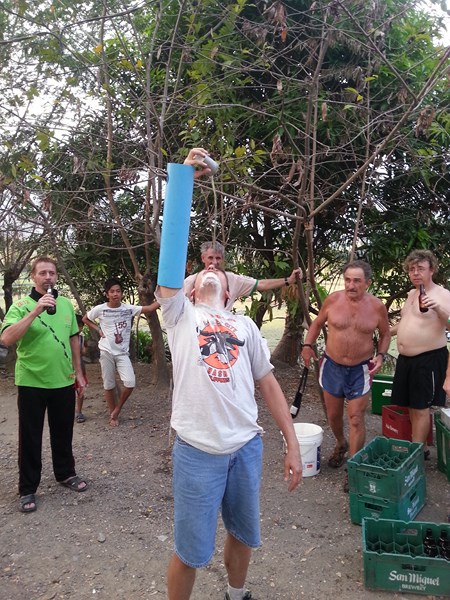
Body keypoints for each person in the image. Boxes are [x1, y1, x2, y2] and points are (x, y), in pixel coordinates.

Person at [156, 148, 302, 600]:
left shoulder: (245, 325)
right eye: (202, 272)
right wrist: (184, 181)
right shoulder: (180, 315)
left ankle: (237, 595)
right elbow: (169, 259)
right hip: (197, 450)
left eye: (217, 272)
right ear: (189, 289)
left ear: (229, 291)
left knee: (243, 534)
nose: (210, 272)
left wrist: (292, 442)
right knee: (190, 552)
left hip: (246, 446)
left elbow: (269, 384)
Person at [0, 256, 88, 513]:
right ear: (33, 277)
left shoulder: (66, 305)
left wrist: (78, 372)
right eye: (42, 273)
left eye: (52, 272)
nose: (48, 277)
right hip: (32, 381)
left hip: (63, 379)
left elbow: (74, 339)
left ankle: (65, 473)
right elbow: (6, 338)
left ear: (56, 276)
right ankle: (27, 488)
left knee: (63, 431)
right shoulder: (21, 306)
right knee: (30, 436)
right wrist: (35, 311)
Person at [300, 260, 390, 491]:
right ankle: (341, 443)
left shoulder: (377, 307)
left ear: (367, 283)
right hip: (332, 366)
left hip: (361, 369)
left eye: (357, 281)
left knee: (356, 418)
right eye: (347, 280)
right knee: (333, 415)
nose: (351, 285)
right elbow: (317, 324)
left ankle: (354, 467)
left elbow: (385, 334)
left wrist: (381, 356)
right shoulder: (333, 301)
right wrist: (308, 345)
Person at [390, 250, 450, 458]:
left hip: (428, 359)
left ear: (431, 270)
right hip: (406, 359)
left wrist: (439, 309)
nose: (415, 273)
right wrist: (383, 331)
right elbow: (406, 323)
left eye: (421, 269)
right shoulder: (412, 294)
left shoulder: (443, 295)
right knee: (410, 405)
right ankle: (421, 447)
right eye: (412, 269)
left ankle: (414, 455)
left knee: (421, 407)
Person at [82, 278, 159, 427]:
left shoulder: (128, 309)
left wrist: (167, 297)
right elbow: (85, 319)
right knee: (109, 385)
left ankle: (117, 409)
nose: (115, 294)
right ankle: (113, 415)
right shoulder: (100, 309)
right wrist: (98, 329)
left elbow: (150, 308)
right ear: (107, 294)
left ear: (122, 293)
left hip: (123, 353)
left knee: (130, 383)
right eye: (112, 291)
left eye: (118, 291)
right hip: (106, 351)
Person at [184, 240, 302, 310]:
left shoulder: (232, 279)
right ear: (203, 258)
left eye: (218, 258)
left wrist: (288, 280)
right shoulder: (190, 281)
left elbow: (260, 284)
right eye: (210, 258)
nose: (214, 262)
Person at [75, 314, 88, 423]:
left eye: (81, 326)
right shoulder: (64, 338)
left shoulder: (82, 339)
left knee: (80, 390)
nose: (79, 328)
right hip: (67, 369)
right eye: (78, 326)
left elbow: (84, 351)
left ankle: (79, 411)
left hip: (80, 367)